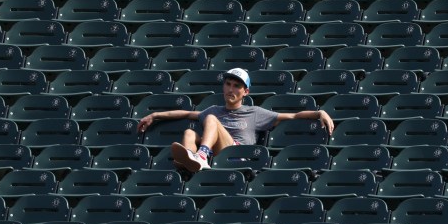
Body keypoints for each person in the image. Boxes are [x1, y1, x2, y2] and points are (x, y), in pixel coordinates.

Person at [137, 68, 335, 173]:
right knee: (190, 132)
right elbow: (185, 113)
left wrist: (320, 113)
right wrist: (154, 115)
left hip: (238, 156)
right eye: (228, 84)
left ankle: (200, 157)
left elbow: (292, 116)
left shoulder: (254, 112)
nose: (231, 89)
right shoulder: (214, 110)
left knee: (211, 120)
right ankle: (189, 162)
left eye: (237, 86)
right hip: (218, 153)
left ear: (245, 92)